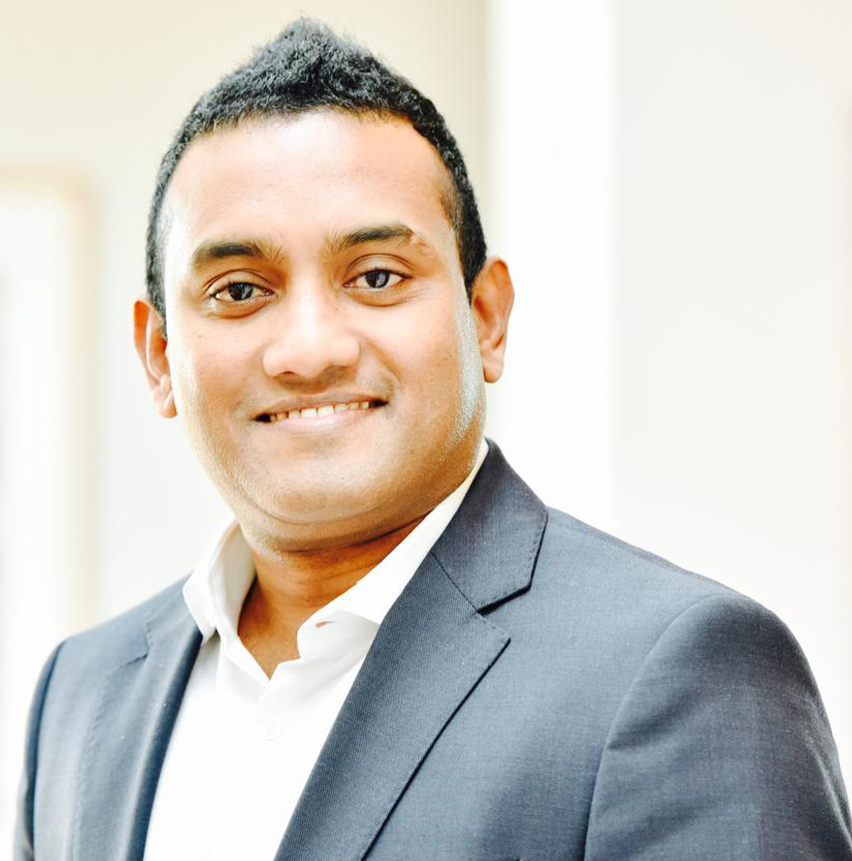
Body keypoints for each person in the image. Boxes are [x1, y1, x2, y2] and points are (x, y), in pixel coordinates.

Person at [14, 18, 852, 861]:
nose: (311, 349)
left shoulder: (679, 670)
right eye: (239, 290)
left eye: (377, 276)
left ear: (485, 318)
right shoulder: (81, 695)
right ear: (160, 355)